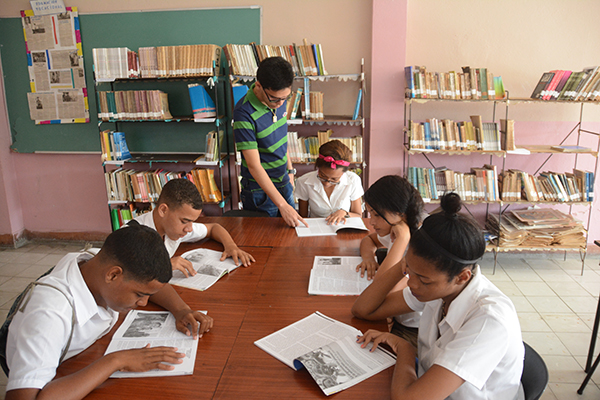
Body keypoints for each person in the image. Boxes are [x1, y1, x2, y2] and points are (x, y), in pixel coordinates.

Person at [4, 223, 214, 400]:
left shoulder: (96, 261)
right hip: (60, 374)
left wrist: (181, 310)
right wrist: (116, 361)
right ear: (113, 275)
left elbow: (149, 283)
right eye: (139, 295)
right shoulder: (48, 315)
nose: (143, 303)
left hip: (84, 354)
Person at [353, 193, 524, 400]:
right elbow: (363, 309)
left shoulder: (489, 320)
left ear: (462, 277)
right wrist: (402, 266)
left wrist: (404, 347)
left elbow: (409, 399)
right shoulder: (440, 287)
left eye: (423, 280)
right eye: (410, 271)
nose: (412, 284)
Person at [233, 56, 307, 228]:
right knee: (264, 239)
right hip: (260, 192)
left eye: (285, 97)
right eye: (275, 98)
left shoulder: (279, 99)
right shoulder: (244, 113)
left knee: (292, 233)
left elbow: (281, 138)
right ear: (258, 85)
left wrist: (290, 170)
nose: (281, 103)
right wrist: (282, 205)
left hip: (284, 181)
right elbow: (254, 166)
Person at [354, 175, 424, 346]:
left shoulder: (419, 245)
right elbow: (368, 240)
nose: (371, 221)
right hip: (396, 317)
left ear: (399, 212)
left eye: (377, 215)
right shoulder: (396, 228)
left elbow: (383, 287)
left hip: (415, 330)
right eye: (370, 213)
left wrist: (402, 239)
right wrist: (369, 258)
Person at [135, 179, 254, 278]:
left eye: (192, 222)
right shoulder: (131, 236)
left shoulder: (175, 228)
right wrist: (164, 266)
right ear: (163, 210)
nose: (190, 229)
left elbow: (213, 228)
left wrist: (231, 246)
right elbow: (124, 278)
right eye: (184, 221)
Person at [295, 140, 363, 224]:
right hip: (317, 229)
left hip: (344, 229)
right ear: (318, 167)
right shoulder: (304, 182)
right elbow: (303, 218)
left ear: (344, 172)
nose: (327, 183)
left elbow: (358, 215)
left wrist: (345, 213)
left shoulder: (353, 180)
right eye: (322, 176)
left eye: (334, 179)